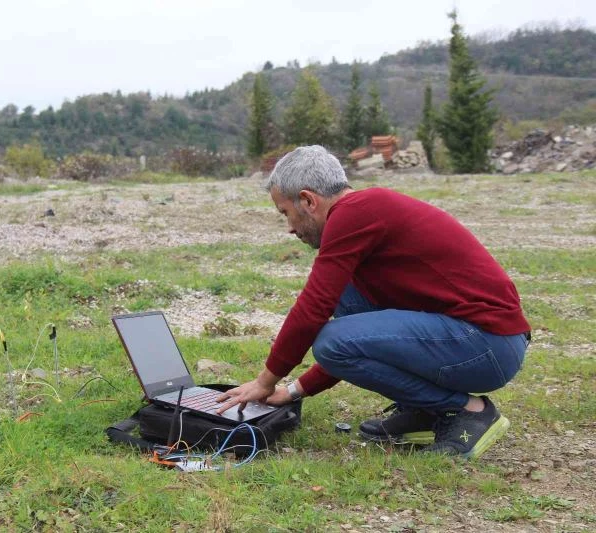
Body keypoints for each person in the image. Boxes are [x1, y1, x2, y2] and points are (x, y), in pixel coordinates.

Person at [216, 145, 530, 460]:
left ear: (308, 200)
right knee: (346, 297)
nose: (289, 228)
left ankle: (470, 412)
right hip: (478, 341)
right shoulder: (364, 212)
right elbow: (360, 338)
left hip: (489, 345)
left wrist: (265, 381)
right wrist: (293, 391)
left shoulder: (356, 212)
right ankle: (425, 411)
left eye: (286, 212)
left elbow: (314, 309)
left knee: (330, 340)